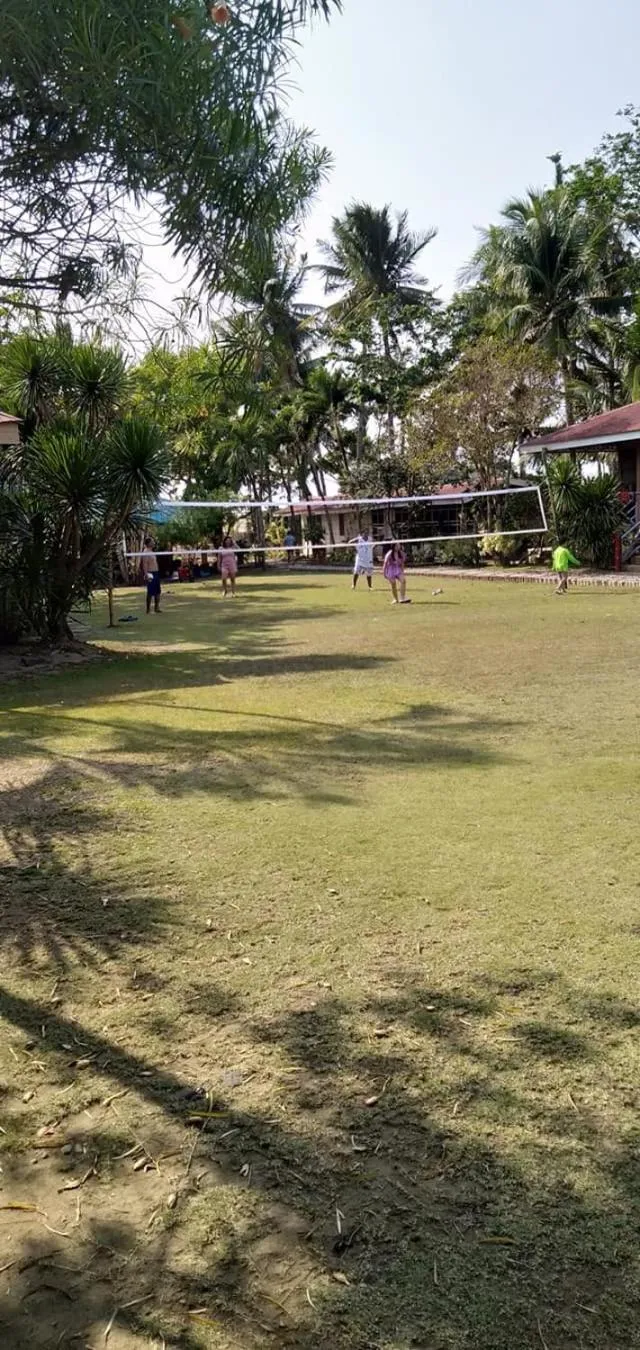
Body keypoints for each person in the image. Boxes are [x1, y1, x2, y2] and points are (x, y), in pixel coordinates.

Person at [383, 540, 411, 604]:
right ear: (394, 546)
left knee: (403, 581)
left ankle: (402, 598)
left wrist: (402, 571)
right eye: (397, 545)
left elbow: (402, 563)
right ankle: (395, 599)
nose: (399, 546)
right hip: (390, 570)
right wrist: (384, 573)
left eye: (399, 545)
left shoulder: (401, 553)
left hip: (397, 569)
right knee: (393, 584)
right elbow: (385, 563)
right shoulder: (389, 553)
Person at [141, 537, 161, 614]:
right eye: (152, 542)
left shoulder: (152, 551)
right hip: (150, 573)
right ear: (148, 543)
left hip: (156, 572)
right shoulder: (145, 552)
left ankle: (157, 608)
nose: (154, 543)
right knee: (150, 592)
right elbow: (144, 564)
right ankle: (148, 609)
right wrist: (146, 575)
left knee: (157, 591)